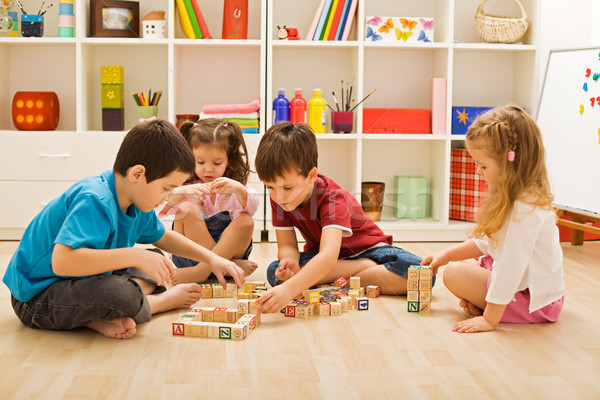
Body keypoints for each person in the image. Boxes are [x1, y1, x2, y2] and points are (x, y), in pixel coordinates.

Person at [2, 120, 244, 340]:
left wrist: (212, 259)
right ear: (137, 174)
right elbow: (62, 262)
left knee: (156, 260)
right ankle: (155, 303)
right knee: (122, 293)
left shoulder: (136, 198)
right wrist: (135, 255)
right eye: (166, 189)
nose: (168, 198)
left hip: (78, 281)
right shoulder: (95, 199)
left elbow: (163, 237)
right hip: (36, 296)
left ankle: (97, 316)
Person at [253, 122, 425, 314]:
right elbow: (287, 245)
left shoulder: (332, 198)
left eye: (287, 188)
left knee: (420, 273)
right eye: (269, 187)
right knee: (274, 270)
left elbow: (328, 257)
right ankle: (350, 277)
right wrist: (290, 260)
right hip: (324, 258)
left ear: (311, 175)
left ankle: (359, 269)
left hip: (369, 252)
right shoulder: (279, 197)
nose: (278, 196)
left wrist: (289, 289)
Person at [421, 106, 564, 333]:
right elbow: (490, 243)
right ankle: (491, 303)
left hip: (535, 302)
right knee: (460, 264)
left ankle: (496, 307)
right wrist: (446, 254)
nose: (478, 171)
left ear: (510, 162)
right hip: (531, 291)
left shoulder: (523, 210)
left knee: (455, 274)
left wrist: (489, 319)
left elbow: (510, 267)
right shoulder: (517, 196)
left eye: (483, 165)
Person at [157, 119, 259, 284]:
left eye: (217, 163)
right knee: (186, 209)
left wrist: (239, 188)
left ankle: (202, 272)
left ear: (229, 159)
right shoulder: (185, 183)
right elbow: (158, 206)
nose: (208, 169)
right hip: (191, 256)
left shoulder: (233, 185)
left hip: (228, 250)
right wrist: (182, 192)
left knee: (246, 220)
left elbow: (253, 207)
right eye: (200, 162)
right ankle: (227, 267)